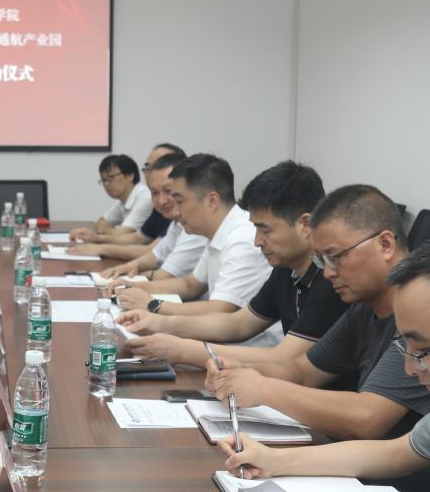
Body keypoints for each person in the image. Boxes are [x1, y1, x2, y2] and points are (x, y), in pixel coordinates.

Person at [221, 230, 430, 492]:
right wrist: (273, 460)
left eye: (422, 349)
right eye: (405, 346)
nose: (410, 367)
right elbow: (395, 453)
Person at [203, 185, 430, 440]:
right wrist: (242, 371)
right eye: (321, 260)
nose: (327, 273)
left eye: (335, 257)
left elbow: (367, 417)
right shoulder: (364, 307)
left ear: (385, 244)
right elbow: (304, 372)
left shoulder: (425, 311)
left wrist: (263, 389)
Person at [120, 161, 348, 366]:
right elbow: (239, 323)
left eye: (265, 230)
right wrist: (160, 324)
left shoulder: (330, 279)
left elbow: (284, 359)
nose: (257, 241)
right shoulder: (286, 268)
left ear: (305, 225)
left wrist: (183, 350)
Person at [114, 154, 273, 325]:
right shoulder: (217, 231)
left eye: (179, 201)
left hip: (244, 341)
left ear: (211, 201)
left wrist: (152, 304)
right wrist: (134, 287)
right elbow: (190, 284)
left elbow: (219, 309)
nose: (176, 211)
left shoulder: (241, 240)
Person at [93, 153, 208, 274]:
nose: (161, 200)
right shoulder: (177, 223)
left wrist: (101, 247)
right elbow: (156, 254)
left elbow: (169, 276)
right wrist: (128, 268)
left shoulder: (196, 225)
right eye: (154, 193)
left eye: (168, 190)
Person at [68, 143, 184, 254]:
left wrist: (101, 248)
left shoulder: (173, 208)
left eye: (161, 166)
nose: (153, 173)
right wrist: (96, 238)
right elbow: (138, 238)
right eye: (148, 168)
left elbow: (151, 253)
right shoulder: (159, 203)